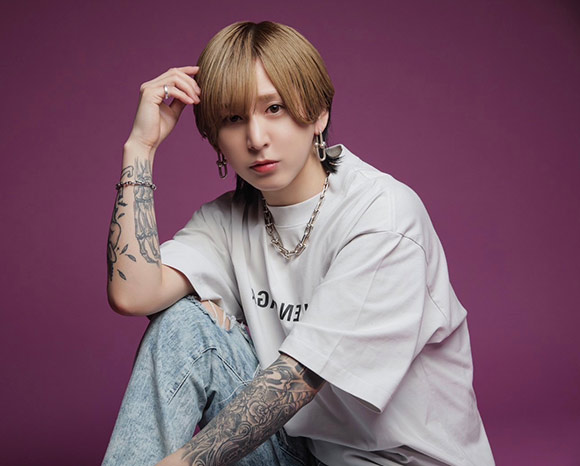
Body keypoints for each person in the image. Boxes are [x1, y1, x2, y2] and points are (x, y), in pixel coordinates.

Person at [102, 21, 495, 466]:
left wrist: (182, 464)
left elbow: (299, 377)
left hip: (405, 461)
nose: (256, 139)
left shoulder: (381, 215)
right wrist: (141, 147)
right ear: (215, 139)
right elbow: (133, 293)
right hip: (308, 457)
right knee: (183, 324)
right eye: (233, 119)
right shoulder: (229, 220)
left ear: (318, 114)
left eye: (274, 109)